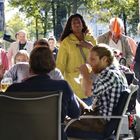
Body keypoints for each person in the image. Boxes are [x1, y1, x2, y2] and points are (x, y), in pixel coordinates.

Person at [6, 47, 80, 140]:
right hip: (55, 136)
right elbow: (75, 113)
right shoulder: (62, 86)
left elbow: (7, 119)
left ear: (30, 66)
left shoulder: (14, 89)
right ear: (52, 66)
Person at [68, 43, 129, 133]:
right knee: (69, 95)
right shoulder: (112, 71)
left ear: (104, 59)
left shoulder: (110, 75)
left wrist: (85, 74)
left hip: (100, 122)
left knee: (59, 123)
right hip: (97, 115)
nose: (89, 62)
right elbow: (87, 90)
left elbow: (88, 92)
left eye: (93, 59)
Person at [56, 13, 96, 104]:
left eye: (79, 22)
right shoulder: (66, 42)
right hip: (74, 86)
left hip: (91, 83)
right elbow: (60, 65)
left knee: (91, 116)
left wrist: (90, 46)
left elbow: (100, 57)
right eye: (74, 23)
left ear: (83, 25)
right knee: (78, 116)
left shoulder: (91, 39)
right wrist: (56, 84)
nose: (77, 24)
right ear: (70, 27)